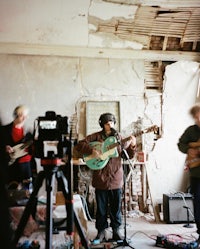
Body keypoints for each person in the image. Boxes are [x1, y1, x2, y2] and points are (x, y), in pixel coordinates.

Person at [75, 113, 137, 242]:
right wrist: (92, 150)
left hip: (116, 177)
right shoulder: (95, 136)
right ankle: (101, 232)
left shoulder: (119, 137)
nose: (110, 125)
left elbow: (127, 156)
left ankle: (116, 231)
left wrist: (132, 145)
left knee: (116, 208)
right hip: (100, 178)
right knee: (101, 209)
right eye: (107, 123)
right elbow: (80, 144)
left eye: (112, 123)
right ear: (102, 124)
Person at [178, 103, 200, 241]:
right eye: (196, 118)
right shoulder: (191, 131)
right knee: (198, 205)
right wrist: (189, 150)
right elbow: (181, 144)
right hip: (196, 174)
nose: (198, 120)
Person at [1, 105, 33, 189]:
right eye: (22, 115)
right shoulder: (4, 130)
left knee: (27, 193)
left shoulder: (28, 132)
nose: (25, 118)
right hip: (11, 167)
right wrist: (5, 148)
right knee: (11, 192)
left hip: (27, 167)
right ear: (16, 115)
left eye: (26, 115)